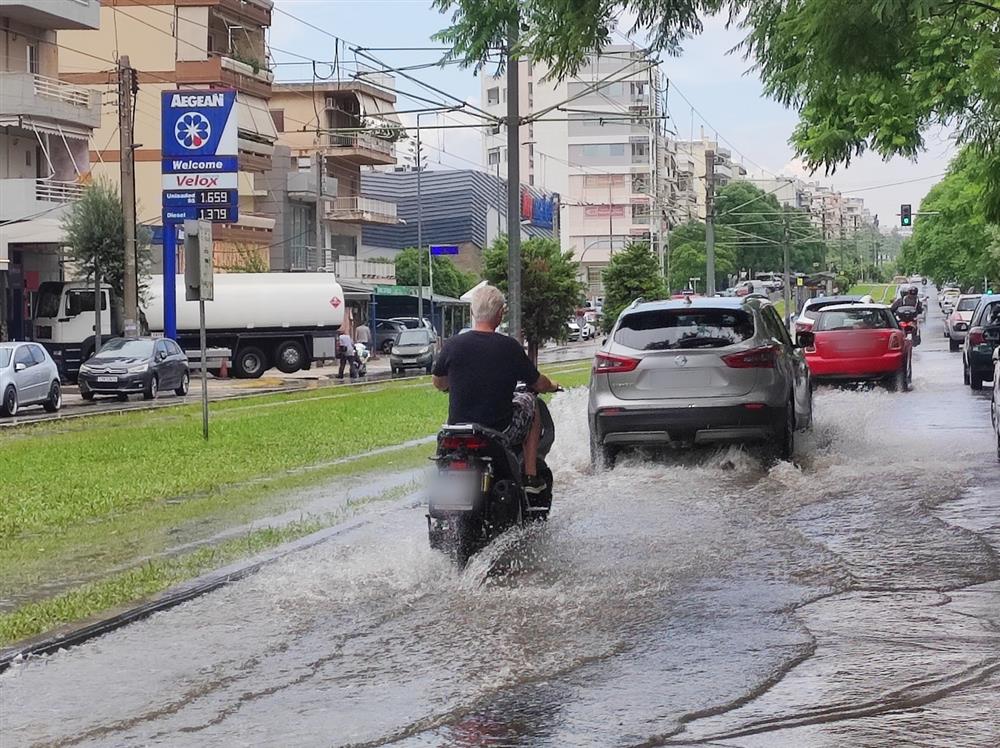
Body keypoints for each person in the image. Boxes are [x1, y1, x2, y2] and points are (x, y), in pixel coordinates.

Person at [432, 284, 560, 495]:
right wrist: (553, 385)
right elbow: (538, 384)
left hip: (459, 430)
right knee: (532, 403)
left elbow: (438, 382)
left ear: (473, 312)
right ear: (500, 314)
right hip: (499, 431)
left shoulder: (452, 344)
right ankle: (530, 476)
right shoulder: (509, 347)